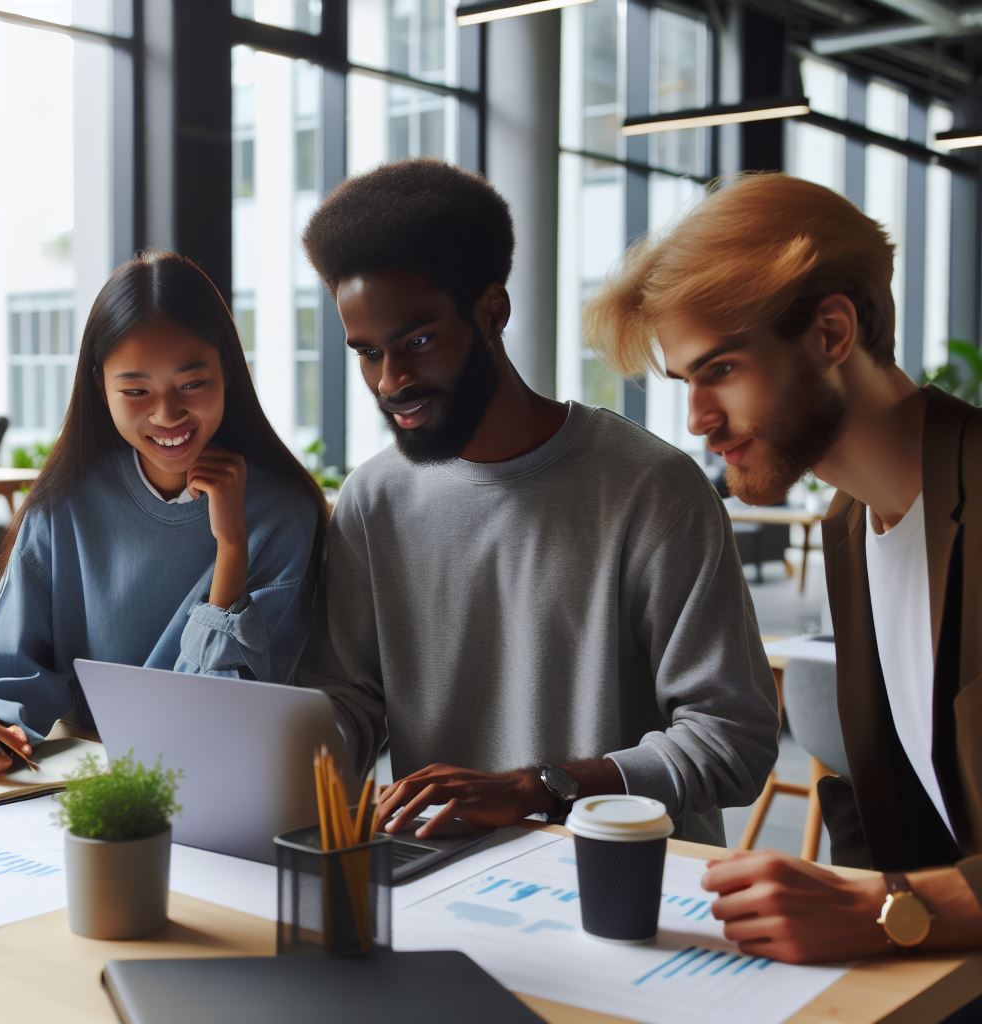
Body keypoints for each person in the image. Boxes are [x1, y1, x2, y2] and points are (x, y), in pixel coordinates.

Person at [298, 158, 778, 846]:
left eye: (419, 341)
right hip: (443, 882)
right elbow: (348, 705)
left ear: (493, 311)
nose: (391, 380)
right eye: (368, 353)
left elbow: (734, 743)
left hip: (636, 886)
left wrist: (539, 788)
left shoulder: (652, 488)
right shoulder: (374, 500)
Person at [585, 172, 982, 965]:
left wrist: (889, 909)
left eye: (721, 370)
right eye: (685, 382)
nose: (697, 420)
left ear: (833, 332)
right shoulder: (851, 525)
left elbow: (895, 895)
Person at [0, 250, 326, 782]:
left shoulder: (281, 513)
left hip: (222, 789)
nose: (166, 414)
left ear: (227, 372)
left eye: (192, 383)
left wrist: (231, 548)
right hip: (87, 792)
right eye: (135, 391)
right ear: (98, 386)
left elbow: (217, 720)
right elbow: (4, 681)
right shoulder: (63, 505)